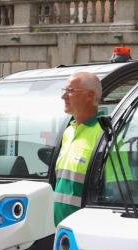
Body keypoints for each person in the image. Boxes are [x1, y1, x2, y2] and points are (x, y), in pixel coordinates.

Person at [54, 72, 103, 226]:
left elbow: (114, 193)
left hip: (86, 231)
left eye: (70, 91)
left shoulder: (104, 135)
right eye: (64, 91)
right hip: (62, 230)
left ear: (89, 95)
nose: (64, 97)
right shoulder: (69, 132)